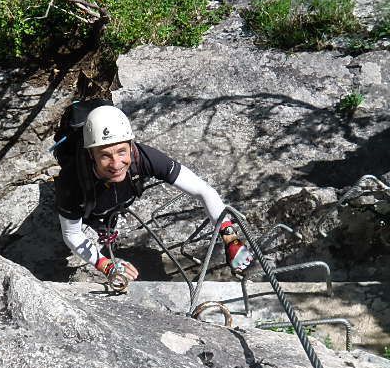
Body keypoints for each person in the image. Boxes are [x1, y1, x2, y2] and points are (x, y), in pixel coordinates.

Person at [54, 104, 253, 282]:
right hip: (89, 199)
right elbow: (72, 234)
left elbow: (203, 191)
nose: (116, 164)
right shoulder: (72, 182)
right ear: (91, 154)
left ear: (131, 146)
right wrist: (105, 265)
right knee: (93, 215)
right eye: (105, 156)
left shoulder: (144, 157)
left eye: (122, 152)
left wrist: (230, 238)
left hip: (112, 194)